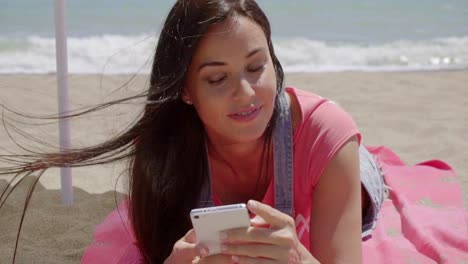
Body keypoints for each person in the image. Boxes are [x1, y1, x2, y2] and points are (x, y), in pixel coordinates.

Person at [0, 0, 386, 263]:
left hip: (337, 163)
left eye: (256, 67)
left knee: (367, 184)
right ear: (185, 90)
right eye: (217, 78)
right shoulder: (163, 149)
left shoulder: (325, 133)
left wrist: (299, 257)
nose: (246, 93)